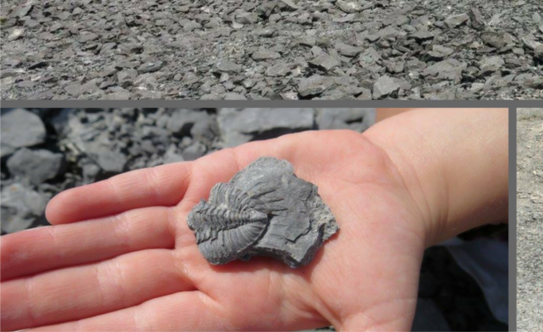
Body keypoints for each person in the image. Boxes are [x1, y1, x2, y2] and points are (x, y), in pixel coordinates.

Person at [0, 108, 508, 332]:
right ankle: (473, 225)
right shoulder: (233, 219)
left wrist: (402, 179)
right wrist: (406, 175)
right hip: (246, 216)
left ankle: (479, 226)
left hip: (253, 215)